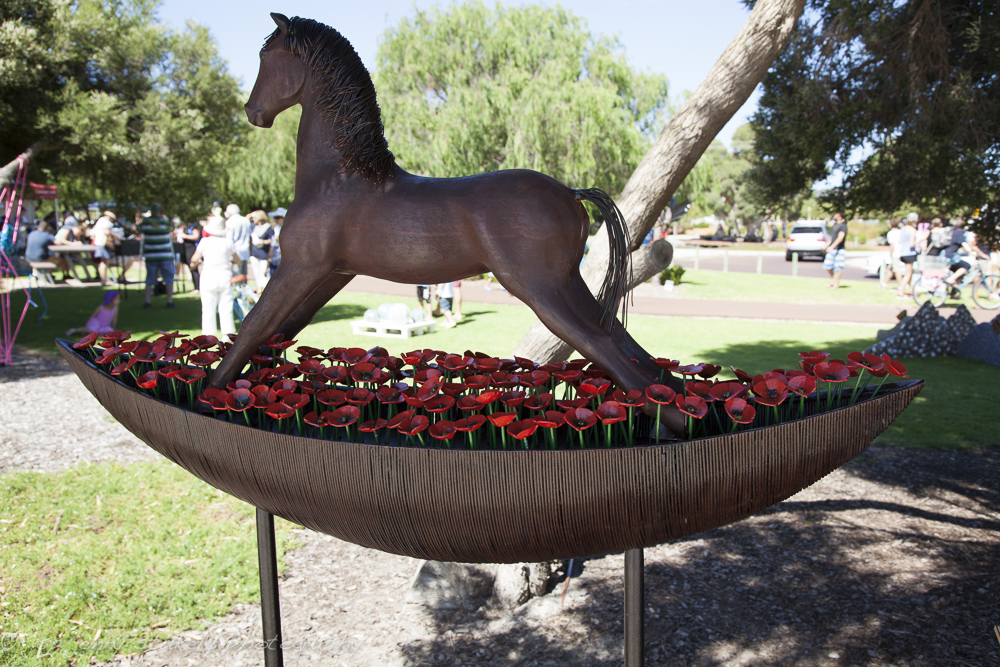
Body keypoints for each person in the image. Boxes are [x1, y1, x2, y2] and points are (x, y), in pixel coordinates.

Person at [190, 216, 240, 338]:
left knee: (208, 308)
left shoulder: (205, 242)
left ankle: (208, 336)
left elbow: (194, 258)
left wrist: (195, 264)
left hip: (208, 276)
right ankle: (227, 335)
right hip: (225, 276)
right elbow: (237, 260)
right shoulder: (228, 242)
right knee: (226, 307)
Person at [138, 206, 176, 308]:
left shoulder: (146, 222)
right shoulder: (165, 222)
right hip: (165, 255)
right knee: (168, 278)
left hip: (151, 256)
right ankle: (169, 301)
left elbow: (138, 229)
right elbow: (172, 228)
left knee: (150, 279)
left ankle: (147, 302)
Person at [89, 210, 120, 286]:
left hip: (100, 243)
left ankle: (104, 279)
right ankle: (103, 280)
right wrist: (117, 236)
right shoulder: (105, 221)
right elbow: (107, 232)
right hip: (102, 243)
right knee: (104, 261)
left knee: (105, 261)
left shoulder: (101, 220)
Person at [893, 213, 919, 298]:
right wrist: (919, 240)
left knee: (909, 273)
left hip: (903, 253)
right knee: (908, 274)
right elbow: (911, 244)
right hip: (909, 253)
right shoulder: (912, 230)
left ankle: (911, 290)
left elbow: (900, 240)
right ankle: (901, 291)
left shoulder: (903, 229)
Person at [248, 210, 274, 289]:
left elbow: (272, 240)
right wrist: (251, 215)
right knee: (256, 272)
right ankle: (259, 288)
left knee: (264, 273)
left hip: (264, 253)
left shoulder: (268, 227)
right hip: (255, 253)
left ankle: (266, 288)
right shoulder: (253, 226)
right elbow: (246, 219)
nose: (253, 219)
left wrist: (262, 242)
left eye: (255, 217)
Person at [224, 204, 252, 276]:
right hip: (245, 251)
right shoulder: (246, 220)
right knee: (243, 276)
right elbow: (250, 237)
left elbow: (229, 239)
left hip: (235, 252)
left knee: (236, 276)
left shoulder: (229, 222)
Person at [175, 218, 202, 293]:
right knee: (191, 268)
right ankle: (196, 287)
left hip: (192, 248)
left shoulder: (194, 225)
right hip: (186, 248)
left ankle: (198, 288)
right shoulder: (186, 225)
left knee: (194, 267)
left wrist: (185, 236)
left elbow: (196, 236)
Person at [823, 212, 848, 289]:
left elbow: (840, 238)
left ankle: (836, 284)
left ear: (840, 216)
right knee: (827, 265)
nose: (834, 215)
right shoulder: (835, 224)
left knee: (838, 267)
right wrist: (826, 245)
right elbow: (832, 238)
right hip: (832, 248)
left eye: (836, 214)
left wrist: (832, 247)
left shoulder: (843, 226)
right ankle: (834, 280)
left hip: (839, 249)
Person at [267, 207, 286, 276]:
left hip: (283, 262)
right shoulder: (275, 229)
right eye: (275, 218)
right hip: (274, 260)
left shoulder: (288, 230)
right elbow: (272, 246)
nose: (276, 220)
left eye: (278, 217)